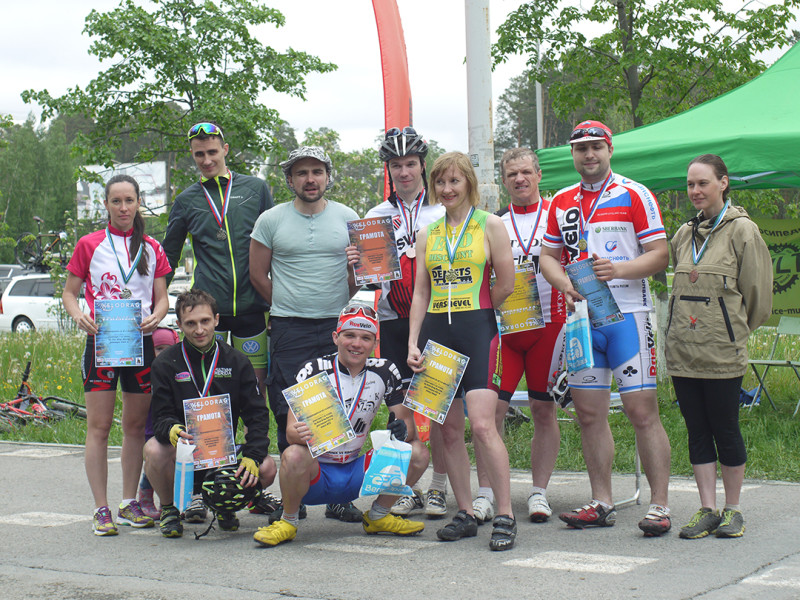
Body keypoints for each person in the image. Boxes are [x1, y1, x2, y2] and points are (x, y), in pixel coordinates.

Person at [539, 120, 673, 536]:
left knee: (641, 412)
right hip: (584, 320)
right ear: (573, 155)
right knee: (588, 414)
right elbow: (547, 257)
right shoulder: (561, 201)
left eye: (596, 147)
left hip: (629, 317)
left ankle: (660, 506)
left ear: (609, 149)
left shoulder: (635, 193)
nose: (589, 155)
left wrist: (619, 268)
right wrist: (563, 283)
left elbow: (660, 255)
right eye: (581, 149)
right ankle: (602, 501)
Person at [407, 151, 517, 551]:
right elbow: (421, 291)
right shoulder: (428, 233)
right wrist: (412, 341)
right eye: (440, 182)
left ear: (469, 182)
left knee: (484, 426)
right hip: (437, 333)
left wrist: (482, 309)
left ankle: (504, 513)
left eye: (454, 181)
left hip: (478, 328)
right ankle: (466, 512)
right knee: (448, 430)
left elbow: (506, 280)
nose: (447, 189)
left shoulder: (491, 224)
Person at [253, 304, 429, 546]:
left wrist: (401, 430)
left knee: (418, 452)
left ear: (374, 343)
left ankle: (378, 516)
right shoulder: (313, 370)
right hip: (316, 474)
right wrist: (303, 435)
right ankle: (288, 521)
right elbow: (290, 432)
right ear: (336, 337)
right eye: (349, 335)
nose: (357, 344)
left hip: (358, 475)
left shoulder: (386, 371)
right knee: (293, 454)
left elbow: (408, 428)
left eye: (365, 338)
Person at [250, 146, 359, 522]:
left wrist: (350, 278)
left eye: (316, 171)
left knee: (341, 406)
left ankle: (338, 496)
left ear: (328, 176)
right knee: (290, 409)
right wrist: (287, 304)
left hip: (337, 326)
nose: (310, 179)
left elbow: (359, 279)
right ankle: (290, 499)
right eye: (301, 173)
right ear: (290, 179)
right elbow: (257, 276)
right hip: (289, 327)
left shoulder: (348, 218)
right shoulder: (271, 219)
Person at [666, 154, 772, 539]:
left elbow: (758, 297)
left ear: (723, 183)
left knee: (726, 430)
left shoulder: (743, 231)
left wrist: (732, 332)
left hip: (722, 354)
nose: (695, 191)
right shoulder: (683, 234)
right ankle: (707, 508)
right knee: (696, 430)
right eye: (690, 184)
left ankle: (734, 509)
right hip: (683, 354)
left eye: (703, 183)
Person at [62, 174, 171, 536]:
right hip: (103, 341)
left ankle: (128, 503)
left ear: (139, 202)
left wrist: (158, 315)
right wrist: (79, 316)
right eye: (116, 201)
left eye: (129, 200)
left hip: (139, 343)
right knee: (99, 427)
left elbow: (161, 297)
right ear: (106, 205)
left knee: (135, 427)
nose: (123, 208)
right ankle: (100, 508)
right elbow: (70, 293)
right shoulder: (89, 244)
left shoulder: (152, 246)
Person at [472, 148, 567, 524]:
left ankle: (539, 492)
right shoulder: (494, 222)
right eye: (512, 174)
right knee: (489, 412)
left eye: (526, 172)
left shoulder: (557, 217)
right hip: (506, 329)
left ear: (539, 174)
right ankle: (485, 492)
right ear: (504, 180)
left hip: (550, 325)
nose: (520, 179)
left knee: (544, 410)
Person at [362, 126, 450, 519]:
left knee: (438, 410)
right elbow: (367, 280)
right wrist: (357, 264)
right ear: (388, 169)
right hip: (394, 322)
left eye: (410, 164)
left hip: (438, 320)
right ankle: (404, 486)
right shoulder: (375, 216)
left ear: (422, 165)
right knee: (400, 412)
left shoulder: (443, 209)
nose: (404, 172)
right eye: (395, 165)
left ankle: (441, 486)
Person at [144, 289, 277, 538]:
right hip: (185, 453)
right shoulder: (165, 364)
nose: (199, 330)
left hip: (222, 455)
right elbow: (160, 416)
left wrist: (253, 455)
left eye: (205, 321)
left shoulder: (237, 361)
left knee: (267, 467)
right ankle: (169, 509)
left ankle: (225, 505)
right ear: (179, 325)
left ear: (216, 319)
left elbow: (257, 414)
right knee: (153, 449)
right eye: (190, 323)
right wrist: (172, 429)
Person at [162, 122, 273, 399]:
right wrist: (155, 300)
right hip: (208, 312)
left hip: (252, 305)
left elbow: (277, 245)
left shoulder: (255, 189)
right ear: (192, 154)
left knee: (256, 387)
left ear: (225, 149)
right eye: (199, 154)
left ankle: (254, 442)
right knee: (212, 386)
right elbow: (169, 256)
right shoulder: (186, 200)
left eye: (212, 152)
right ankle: (218, 443)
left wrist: (279, 301)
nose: (207, 160)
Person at [137, 326, 181, 521]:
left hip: (174, 427)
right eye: (158, 348)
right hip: (151, 429)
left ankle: (187, 500)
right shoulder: (144, 376)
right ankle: (145, 497)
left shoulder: (178, 372)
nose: (163, 354)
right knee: (153, 462)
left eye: (167, 348)